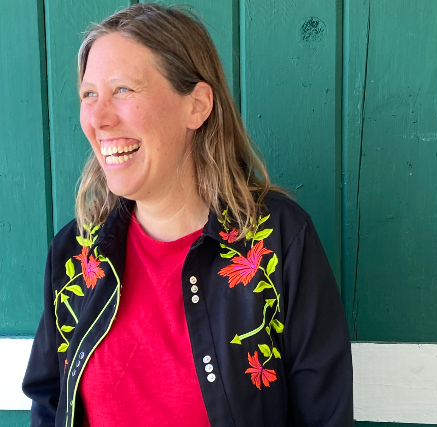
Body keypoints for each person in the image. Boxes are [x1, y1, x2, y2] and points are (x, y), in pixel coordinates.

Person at [22, 3, 353, 426]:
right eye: (89, 94)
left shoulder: (278, 241)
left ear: (196, 105)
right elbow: (49, 402)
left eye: (123, 90)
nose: (98, 118)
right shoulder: (76, 254)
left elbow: (325, 415)